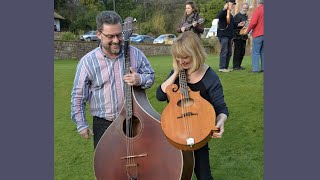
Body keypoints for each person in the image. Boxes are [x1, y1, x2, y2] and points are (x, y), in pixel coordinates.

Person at [71, 11, 155, 149]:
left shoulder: (135, 54)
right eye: (110, 36)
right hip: (104, 124)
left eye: (119, 35)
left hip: (135, 121)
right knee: (108, 169)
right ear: (99, 34)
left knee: (141, 163)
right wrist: (81, 124)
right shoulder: (87, 62)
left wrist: (139, 78)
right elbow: (78, 96)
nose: (116, 40)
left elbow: (151, 76)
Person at [156, 31, 229, 180]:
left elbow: (221, 108)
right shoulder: (177, 72)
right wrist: (175, 73)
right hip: (174, 132)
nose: (181, 61)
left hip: (198, 131)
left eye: (185, 57)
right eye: (178, 57)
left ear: (196, 53)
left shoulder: (210, 76)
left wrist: (220, 122)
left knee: (204, 175)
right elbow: (160, 95)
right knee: (175, 174)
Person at [216, 0, 245, 73]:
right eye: (232, 4)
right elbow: (218, 16)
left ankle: (226, 67)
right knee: (224, 51)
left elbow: (233, 25)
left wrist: (239, 24)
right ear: (227, 4)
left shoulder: (231, 15)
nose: (233, 6)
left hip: (230, 36)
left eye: (233, 4)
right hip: (223, 35)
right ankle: (222, 67)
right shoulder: (223, 13)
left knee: (229, 52)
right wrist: (224, 9)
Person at [244, 0, 264, 72]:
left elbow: (253, 23)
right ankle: (263, 68)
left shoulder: (258, 10)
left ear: (258, 2)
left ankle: (255, 69)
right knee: (263, 52)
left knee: (255, 52)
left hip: (258, 34)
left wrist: (247, 31)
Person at [232, 3, 249, 70]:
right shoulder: (237, 16)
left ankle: (239, 65)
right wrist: (239, 25)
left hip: (244, 36)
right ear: (241, 8)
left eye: (246, 8)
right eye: (244, 8)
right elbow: (234, 26)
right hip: (237, 36)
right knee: (237, 51)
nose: (245, 9)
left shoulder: (245, 16)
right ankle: (235, 66)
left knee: (242, 51)